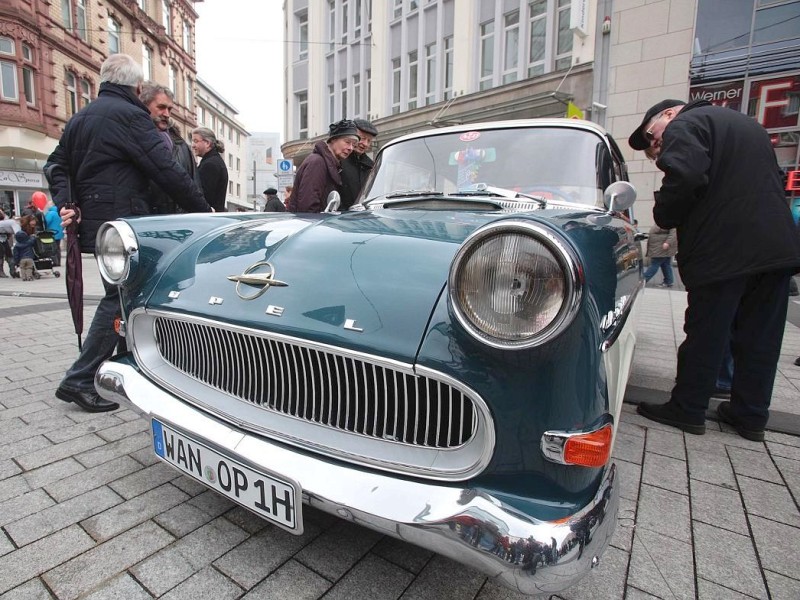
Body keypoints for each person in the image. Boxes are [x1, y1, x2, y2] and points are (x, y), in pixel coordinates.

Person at [44, 53, 212, 413]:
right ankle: (79, 379)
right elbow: (165, 169)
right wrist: (204, 210)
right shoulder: (130, 115)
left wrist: (67, 202)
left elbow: (56, 164)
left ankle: (123, 365)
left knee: (122, 296)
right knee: (120, 300)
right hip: (126, 223)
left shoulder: (79, 118)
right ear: (137, 88)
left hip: (97, 222)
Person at [629, 98, 800, 441]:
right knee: (761, 337)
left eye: (652, 136)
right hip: (774, 247)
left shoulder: (687, 124)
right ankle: (750, 415)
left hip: (723, 248)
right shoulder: (749, 127)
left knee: (707, 331)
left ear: (668, 113)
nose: (656, 145)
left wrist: (664, 212)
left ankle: (688, 407)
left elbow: (687, 175)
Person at [140, 82, 200, 214]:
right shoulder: (133, 141)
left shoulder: (182, 146)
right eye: (161, 107)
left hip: (178, 224)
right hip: (147, 222)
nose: (166, 114)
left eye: (169, 109)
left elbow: (195, 187)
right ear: (144, 106)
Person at [287, 119, 360, 213]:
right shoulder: (317, 163)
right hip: (313, 224)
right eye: (347, 142)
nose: (351, 148)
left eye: (354, 145)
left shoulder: (331, 165)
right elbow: (308, 208)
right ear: (333, 139)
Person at [339, 118, 377, 210]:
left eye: (369, 141)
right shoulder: (338, 159)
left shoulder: (371, 166)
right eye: (363, 138)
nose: (365, 144)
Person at [192, 126, 228, 212]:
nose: (193, 145)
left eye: (196, 141)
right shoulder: (214, 161)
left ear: (207, 143)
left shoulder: (210, 164)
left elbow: (204, 196)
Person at [42, 200, 64, 267]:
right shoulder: (59, 212)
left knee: (52, 248)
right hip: (59, 232)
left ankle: (55, 262)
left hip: (52, 233)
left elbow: (46, 222)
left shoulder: (50, 213)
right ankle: (58, 261)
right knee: (58, 248)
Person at [0, 209, 17, 277]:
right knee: (1, 254)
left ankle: (12, 270)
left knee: (9, 254)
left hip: (4, 238)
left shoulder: (5, 218)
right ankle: (1, 271)